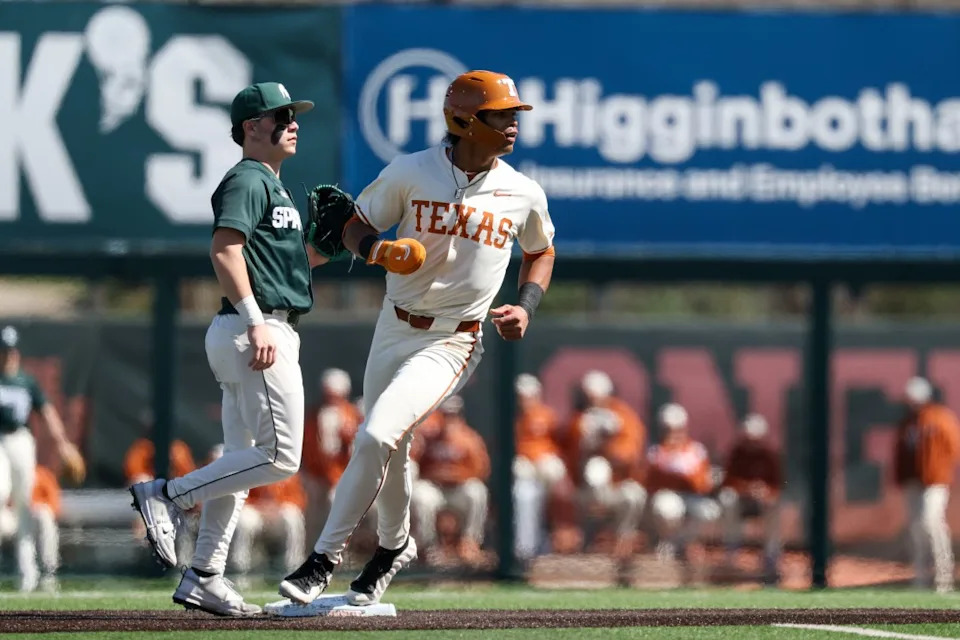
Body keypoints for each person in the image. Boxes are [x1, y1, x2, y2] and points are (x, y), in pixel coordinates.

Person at [280, 69, 555, 607]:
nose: (513, 126)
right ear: (463, 120)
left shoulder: (522, 191)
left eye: (514, 115)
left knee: (375, 434)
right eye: (501, 115)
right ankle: (393, 545)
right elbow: (355, 223)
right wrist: (377, 252)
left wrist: (526, 305)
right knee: (393, 445)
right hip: (395, 322)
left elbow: (541, 250)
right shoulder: (411, 171)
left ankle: (323, 558)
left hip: (455, 339)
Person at [128, 81, 329, 616]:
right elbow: (225, 248)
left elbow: (280, 268)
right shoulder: (247, 177)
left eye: (293, 114)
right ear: (250, 128)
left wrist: (324, 248)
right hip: (255, 332)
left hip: (257, 326)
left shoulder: (273, 184)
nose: (292, 122)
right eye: (280, 114)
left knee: (241, 464)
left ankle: (205, 574)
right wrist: (257, 320)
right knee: (280, 457)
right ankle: (168, 493)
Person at [0, 325, 85, 592]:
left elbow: (46, 412)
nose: (8, 355)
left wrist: (63, 444)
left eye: (11, 350)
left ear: (17, 352)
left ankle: (29, 573)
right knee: (1, 491)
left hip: (22, 440)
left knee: (26, 507)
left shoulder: (26, 381)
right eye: (4, 351)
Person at [565, 370, 646, 557]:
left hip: (617, 488)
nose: (593, 401)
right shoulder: (578, 419)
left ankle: (622, 543)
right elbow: (571, 457)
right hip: (585, 493)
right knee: (595, 469)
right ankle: (591, 541)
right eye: (589, 397)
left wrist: (607, 444)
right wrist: (586, 442)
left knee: (633, 494)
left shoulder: (624, 415)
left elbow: (630, 454)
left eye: (596, 397)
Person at [893, 376, 960, 593]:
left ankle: (944, 575)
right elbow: (901, 453)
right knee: (916, 529)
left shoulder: (940, 418)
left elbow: (953, 447)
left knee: (931, 522)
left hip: (934, 481)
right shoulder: (908, 423)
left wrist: (940, 470)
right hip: (913, 482)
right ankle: (920, 576)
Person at [410, 395, 491, 556]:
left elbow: (482, 471)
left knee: (477, 491)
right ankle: (428, 548)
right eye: (445, 415)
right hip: (436, 489)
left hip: (458, 490)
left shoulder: (470, 439)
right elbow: (417, 467)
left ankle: (470, 542)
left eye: (453, 415)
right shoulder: (429, 438)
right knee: (421, 496)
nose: (449, 419)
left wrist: (453, 475)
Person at [646, 403, 720, 565]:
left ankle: (684, 542)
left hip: (691, 496)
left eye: (677, 429)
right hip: (669, 495)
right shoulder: (656, 451)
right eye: (669, 429)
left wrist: (687, 477)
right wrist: (673, 472)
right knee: (666, 508)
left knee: (709, 512)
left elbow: (702, 484)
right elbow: (652, 483)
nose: (673, 433)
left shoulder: (696, 450)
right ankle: (667, 542)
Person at [717, 413, 783, 585]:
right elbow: (727, 481)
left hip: (761, 502)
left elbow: (777, 486)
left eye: (755, 439)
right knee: (727, 499)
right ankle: (731, 551)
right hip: (741, 500)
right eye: (749, 439)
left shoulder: (769, 455)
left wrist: (764, 492)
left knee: (774, 504)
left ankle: (771, 556)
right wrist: (747, 488)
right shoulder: (737, 453)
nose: (752, 443)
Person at [300, 368, 362, 547]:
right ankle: (308, 554)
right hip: (316, 477)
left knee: (336, 502)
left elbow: (355, 454)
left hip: (345, 478)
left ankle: (339, 553)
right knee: (310, 513)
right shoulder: (314, 415)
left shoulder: (353, 416)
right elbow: (311, 451)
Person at [1, 464, 62, 593]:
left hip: (35, 519)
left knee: (43, 516)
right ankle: (23, 576)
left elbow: (54, 505)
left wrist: (34, 509)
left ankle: (47, 573)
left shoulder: (43, 475)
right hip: (13, 518)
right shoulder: (6, 477)